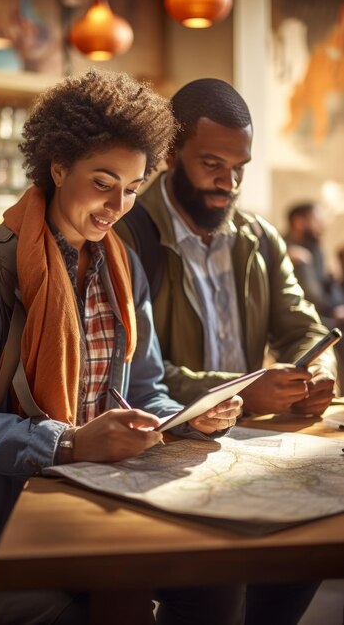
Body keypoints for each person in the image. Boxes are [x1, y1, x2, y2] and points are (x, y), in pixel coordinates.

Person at [0, 69, 245, 625]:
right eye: (103, 183)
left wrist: (193, 418)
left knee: (219, 588)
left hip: (106, 504)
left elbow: (146, 391)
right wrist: (70, 443)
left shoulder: (122, 266)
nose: (117, 206)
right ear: (58, 166)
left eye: (132, 188)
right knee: (118, 607)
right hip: (7, 532)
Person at [115, 77, 336, 419]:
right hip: (165, 443)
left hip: (249, 441)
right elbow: (133, 376)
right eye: (212, 164)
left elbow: (304, 330)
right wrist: (243, 390)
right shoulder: (125, 237)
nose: (229, 184)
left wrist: (319, 370)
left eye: (239, 168)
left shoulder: (260, 238)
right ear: (170, 153)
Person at [285, 201, 344, 391]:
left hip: (326, 309)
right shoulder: (290, 251)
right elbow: (314, 299)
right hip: (306, 316)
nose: (322, 225)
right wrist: (336, 310)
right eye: (317, 220)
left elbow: (325, 284)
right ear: (299, 221)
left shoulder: (315, 249)